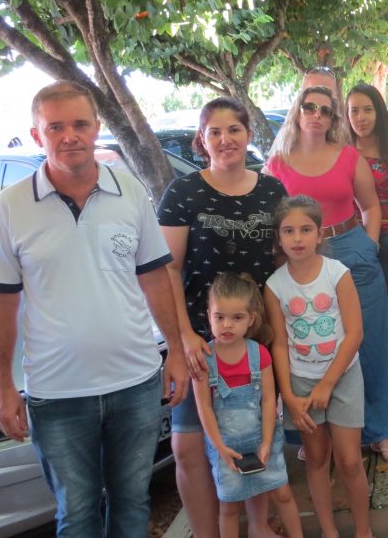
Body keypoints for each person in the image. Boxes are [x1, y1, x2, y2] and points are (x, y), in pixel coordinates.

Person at [0, 80, 188, 536]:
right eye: (56, 127)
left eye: (79, 124)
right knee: (76, 514)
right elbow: (1, 302)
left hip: (135, 382)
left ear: (96, 127)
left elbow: (154, 277)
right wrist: (3, 386)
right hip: (57, 392)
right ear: (37, 135)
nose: (69, 136)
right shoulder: (11, 207)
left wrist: (175, 349)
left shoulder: (129, 191)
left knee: (132, 504)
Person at [158, 97, 288, 537]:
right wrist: (183, 338)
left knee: (250, 434)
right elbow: (168, 270)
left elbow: (280, 264)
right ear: (202, 140)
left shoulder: (272, 192)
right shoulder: (183, 193)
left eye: (234, 129)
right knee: (188, 447)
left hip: (254, 342)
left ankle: (258, 525)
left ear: (248, 135)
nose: (225, 139)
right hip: (200, 339)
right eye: (214, 131)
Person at [266, 85, 388, 464]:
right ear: (297, 112)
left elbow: (371, 207)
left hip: (349, 248)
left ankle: (379, 431)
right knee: (308, 341)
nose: (316, 114)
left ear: (332, 118)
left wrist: (368, 246)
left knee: (371, 342)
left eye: (324, 110)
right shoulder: (277, 163)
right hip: (300, 259)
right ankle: (312, 433)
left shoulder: (347, 156)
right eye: (309, 107)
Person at [265, 196, 373, 538]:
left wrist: (328, 383)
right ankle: (328, 530)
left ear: (319, 234)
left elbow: (354, 333)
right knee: (315, 458)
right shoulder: (274, 285)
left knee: (350, 460)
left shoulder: (337, 273)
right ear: (278, 238)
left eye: (305, 230)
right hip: (301, 383)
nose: (297, 238)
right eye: (289, 231)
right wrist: (288, 395)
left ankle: (363, 530)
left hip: (343, 377)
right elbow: (279, 343)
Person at [193, 273, 303, 538]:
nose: (227, 325)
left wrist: (266, 441)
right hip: (225, 447)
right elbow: (204, 407)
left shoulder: (259, 353)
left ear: (251, 318)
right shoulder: (204, 359)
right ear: (209, 314)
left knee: (283, 494)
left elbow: (269, 400)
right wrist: (220, 448)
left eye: (237, 318)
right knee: (229, 506)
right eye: (219, 317)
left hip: (263, 440)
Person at [345, 82, 388, 362]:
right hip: (348, 247)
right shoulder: (341, 156)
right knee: (351, 328)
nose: (360, 118)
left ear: (379, 113)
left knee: (384, 328)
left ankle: (387, 388)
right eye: (354, 111)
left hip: (387, 245)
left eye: (368, 110)